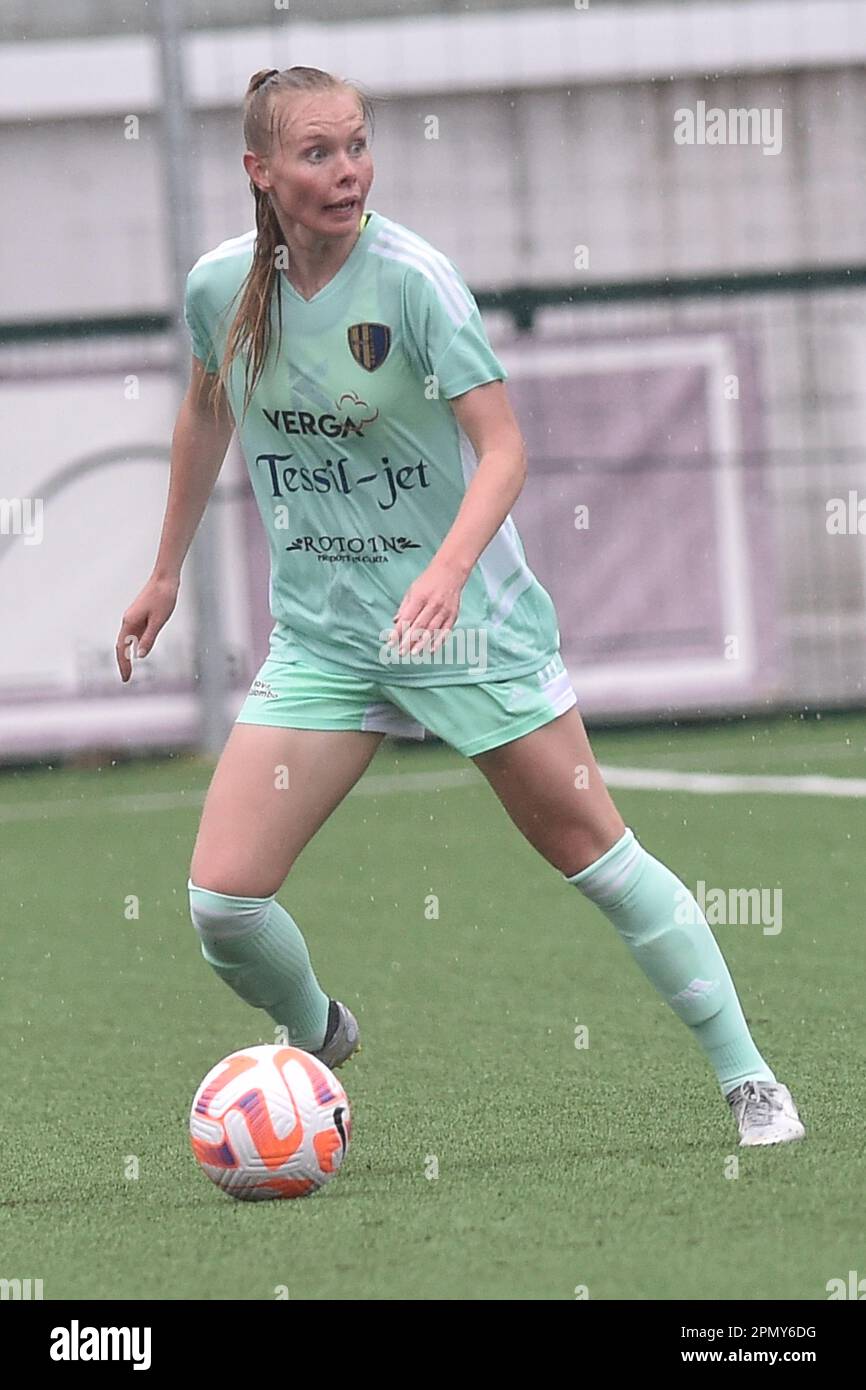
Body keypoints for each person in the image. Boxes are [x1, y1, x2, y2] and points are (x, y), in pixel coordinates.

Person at [116, 65, 804, 1148]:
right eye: (315, 153)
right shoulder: (218, 289)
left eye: (355, 146)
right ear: (259, 170)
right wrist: (164, 570)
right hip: (330, 641)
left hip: (470, 633)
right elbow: (204, 413)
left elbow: (503, 448)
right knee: (221, 905)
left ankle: (749, 1080)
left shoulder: (414, 281)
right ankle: (315, 1033)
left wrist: (443, 572)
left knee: (598, 855)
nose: (345, 172)